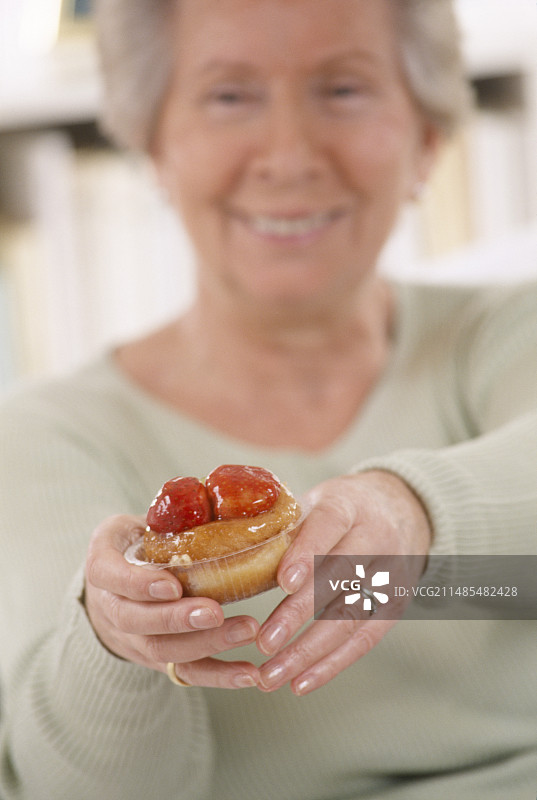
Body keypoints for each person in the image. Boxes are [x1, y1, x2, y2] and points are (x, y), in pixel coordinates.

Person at [1, 1, 536, 798]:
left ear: (427, 138)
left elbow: (514, 581)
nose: (289, 157)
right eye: (228, 96)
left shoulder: (501, 333)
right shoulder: (45, 435)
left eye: (344, 90)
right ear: (154, 143)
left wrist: (409, 514)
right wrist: (115, 642)